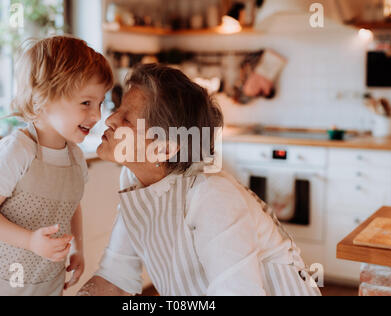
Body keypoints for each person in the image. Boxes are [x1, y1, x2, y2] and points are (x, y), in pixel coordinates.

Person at [78, 64, 321, 296]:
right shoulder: (133, 178)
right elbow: (114, 278)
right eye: (118, 110)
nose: (110, 119)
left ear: (164, 149)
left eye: (127, 120)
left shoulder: (212, 196)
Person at [0, 36, 113, 296]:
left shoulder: (75, 156)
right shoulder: (17, 151)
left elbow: (70, 204)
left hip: (43, 281)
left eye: (100, 103)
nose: (97, 115)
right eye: (86, 103)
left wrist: (78, 247)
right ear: (44, 98)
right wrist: (30, 241)